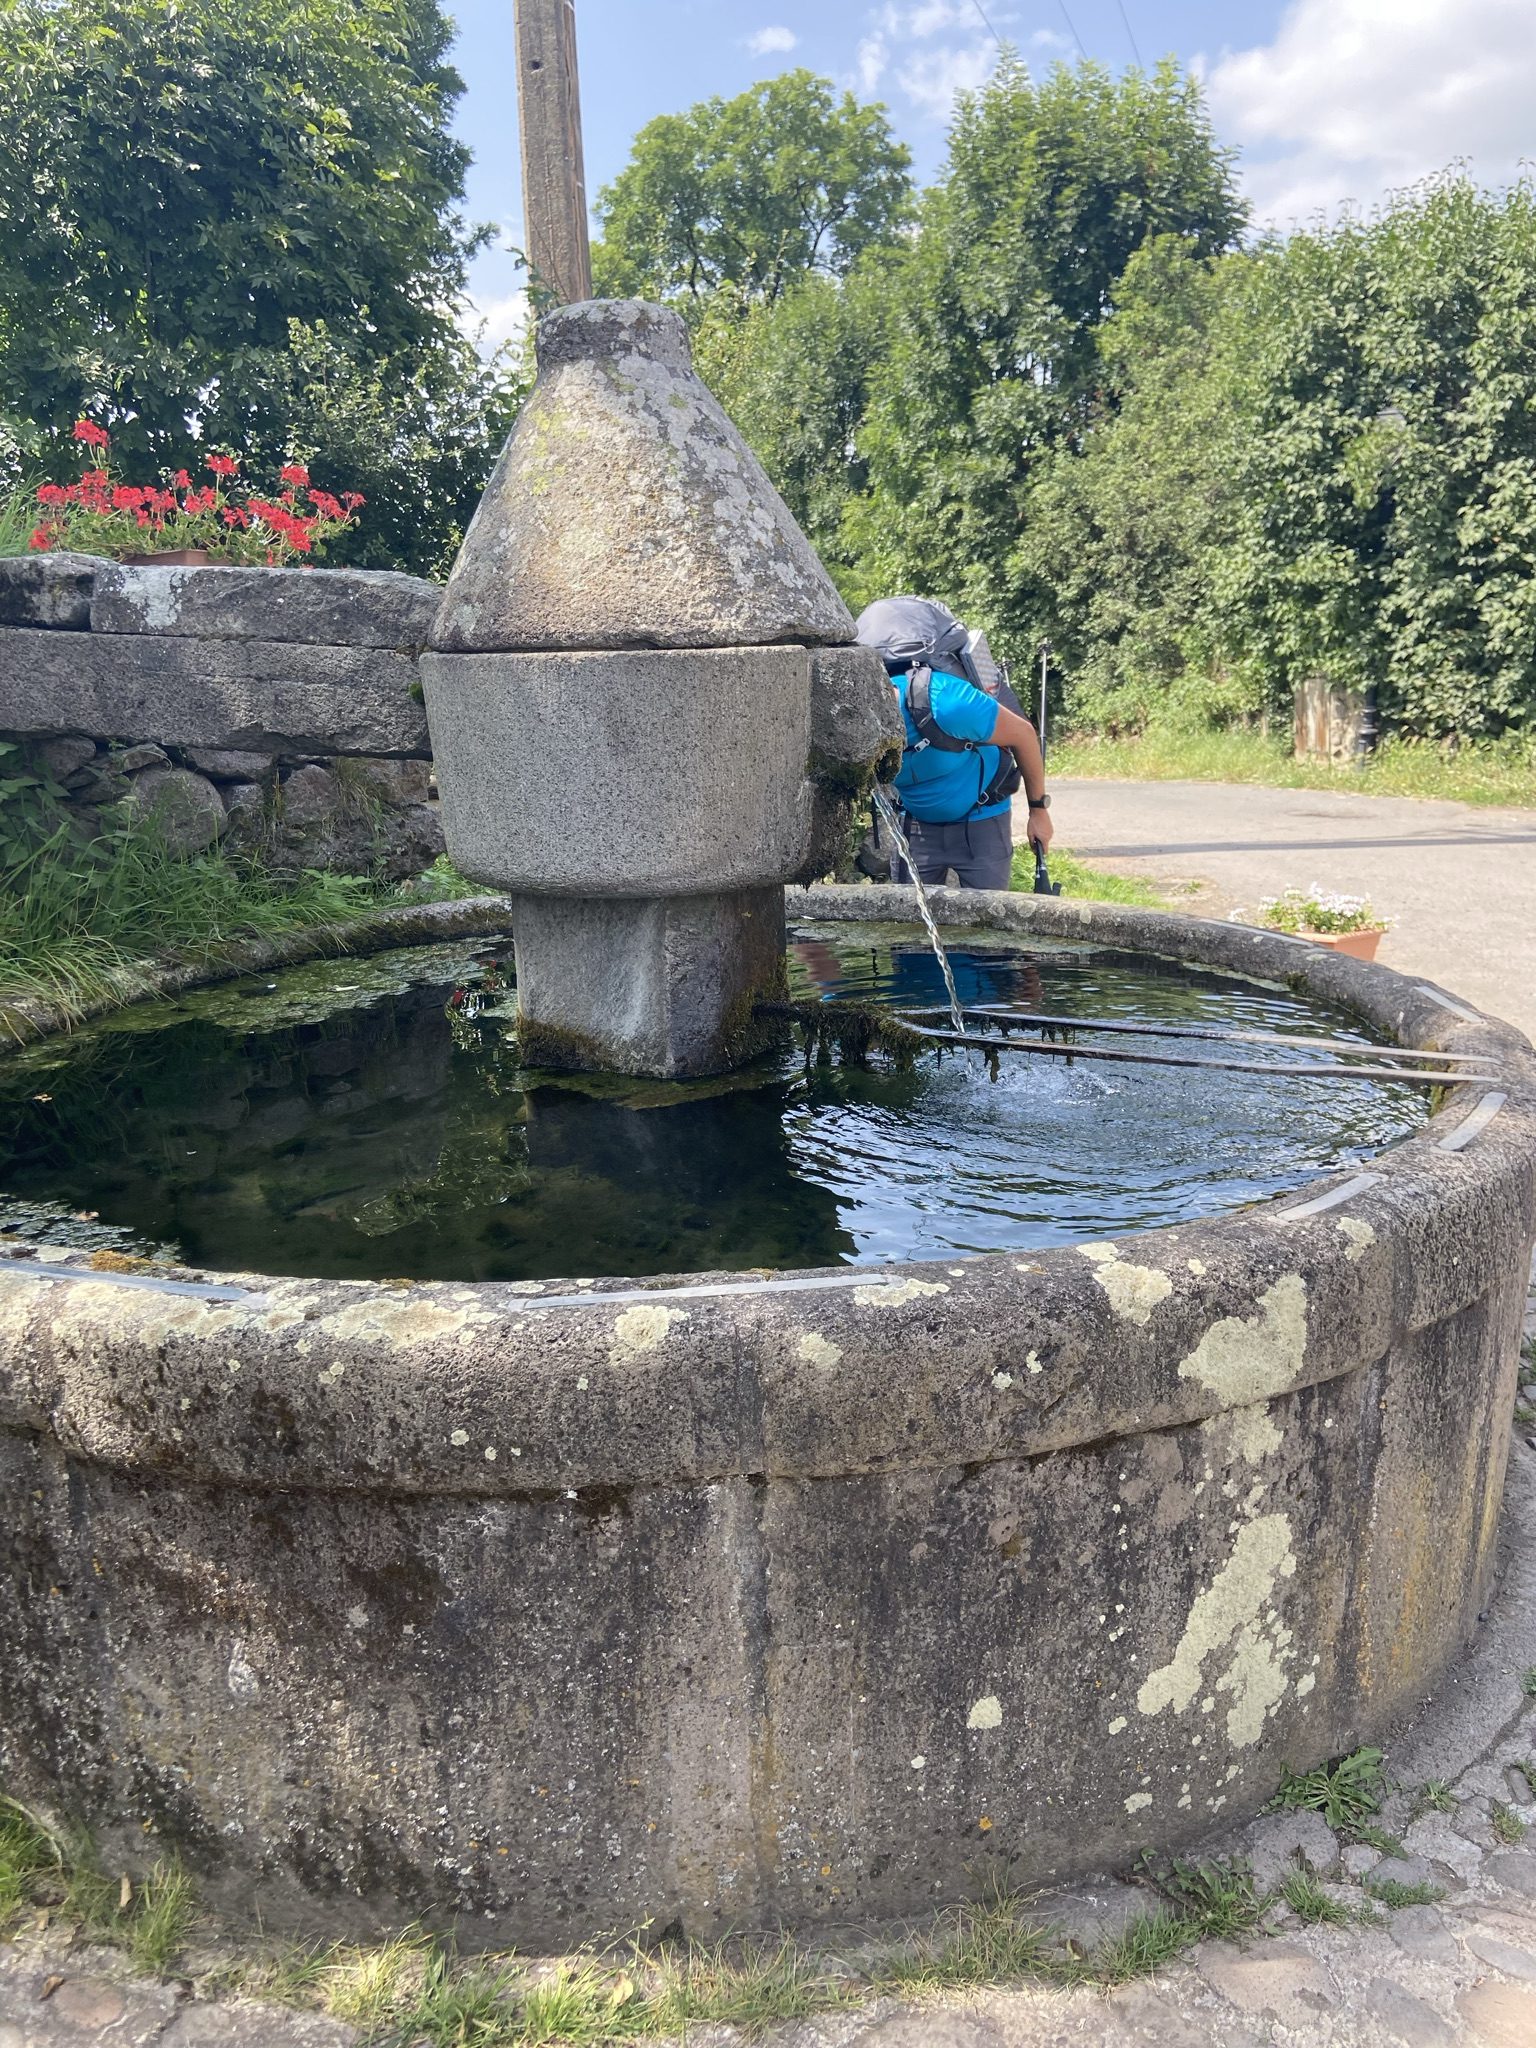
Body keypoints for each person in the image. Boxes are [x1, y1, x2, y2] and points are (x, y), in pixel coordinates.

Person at [854, 595, 1054, 892]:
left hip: (983, 819)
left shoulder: (947, 701)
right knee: (910, 933)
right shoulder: (851, 716)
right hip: (914, 825)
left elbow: (1023, 735)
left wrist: (1038, 811)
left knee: (987, 930)